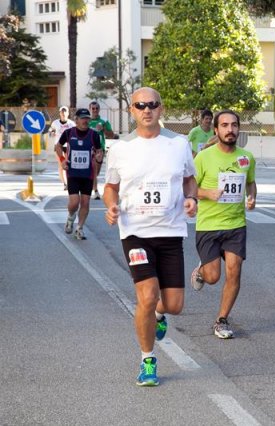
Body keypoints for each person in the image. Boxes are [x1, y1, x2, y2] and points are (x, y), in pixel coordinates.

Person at [103, 87, 198, 386]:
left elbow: (189, 179)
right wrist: (111, 206)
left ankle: (159, 315)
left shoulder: (179, 144)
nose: (147, 110)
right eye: (140, 105)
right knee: (146, 296)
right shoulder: (120, 148)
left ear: (161, 108)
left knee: (173, 304)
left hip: (170, 232)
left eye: (152, 105)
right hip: (136, 232)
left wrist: (192, 199)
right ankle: (147, 360)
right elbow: (110, 187)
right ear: (131, 110)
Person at [190, 110, 256, 340]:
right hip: (208, 225)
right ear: (216, 130)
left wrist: (252, 196)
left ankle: (222, 319)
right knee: (213, 277)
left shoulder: (246, 157)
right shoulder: (203, 158)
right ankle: (201, 270)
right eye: (225, 125)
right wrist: (207, 192)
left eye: (234, 125)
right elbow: (187, 188)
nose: (230, 129)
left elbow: (250, 182)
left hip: (235, 224)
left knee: (234, 271)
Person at [55, 108, 102, 240]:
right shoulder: (69, 133)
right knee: (74, 203)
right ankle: (71, 216)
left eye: (87, 118)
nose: (85, 120)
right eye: (82, 118)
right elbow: (58, 147)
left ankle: (80, 228)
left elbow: (99, 151)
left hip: (88, 174)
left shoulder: (94, 135)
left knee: (85, 203)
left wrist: (99, 157)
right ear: (76, 120)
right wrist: (63, 160)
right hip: (73, 173)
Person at [88, 101, 115, 199]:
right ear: (90, 109)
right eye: (93, 108)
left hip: (100, 149)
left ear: (99, 109)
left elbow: (111, 135)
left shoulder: (104, 121)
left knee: (97, 172)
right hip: (89, 149)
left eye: (96, 108)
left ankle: (92, 183)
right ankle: (95, 191)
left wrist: (103, 129)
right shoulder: (86, 121)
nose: (94, 110)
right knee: (94, 169)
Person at [49, 106, 76, 190]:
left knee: (68, 165)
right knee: (61, 165)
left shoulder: (71, 124)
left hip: (68, 146)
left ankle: (70, 182)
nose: (63, 113)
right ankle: (65, 183)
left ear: (68, 113)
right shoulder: (55, 123)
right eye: (62, 112)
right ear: (60, 113)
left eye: (65, 112)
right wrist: (51, 133)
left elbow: (76, 134)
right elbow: (50, 131)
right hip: (58, 146)